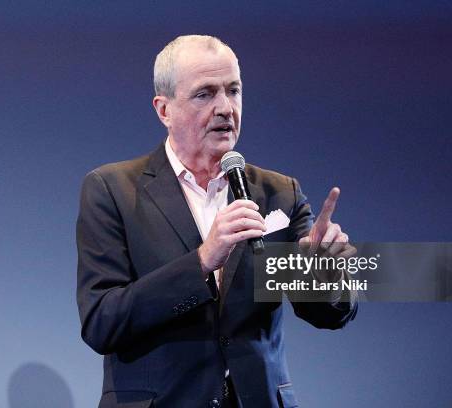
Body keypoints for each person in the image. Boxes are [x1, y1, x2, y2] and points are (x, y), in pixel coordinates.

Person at [76, 35, 358, 408]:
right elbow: (102, 321)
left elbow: (328, 313)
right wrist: (202, 261)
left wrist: (320, 274)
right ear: (164, 110)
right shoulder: (112, 190)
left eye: (233, 91)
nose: (226, 108)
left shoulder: (280, 192)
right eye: (205, 94)